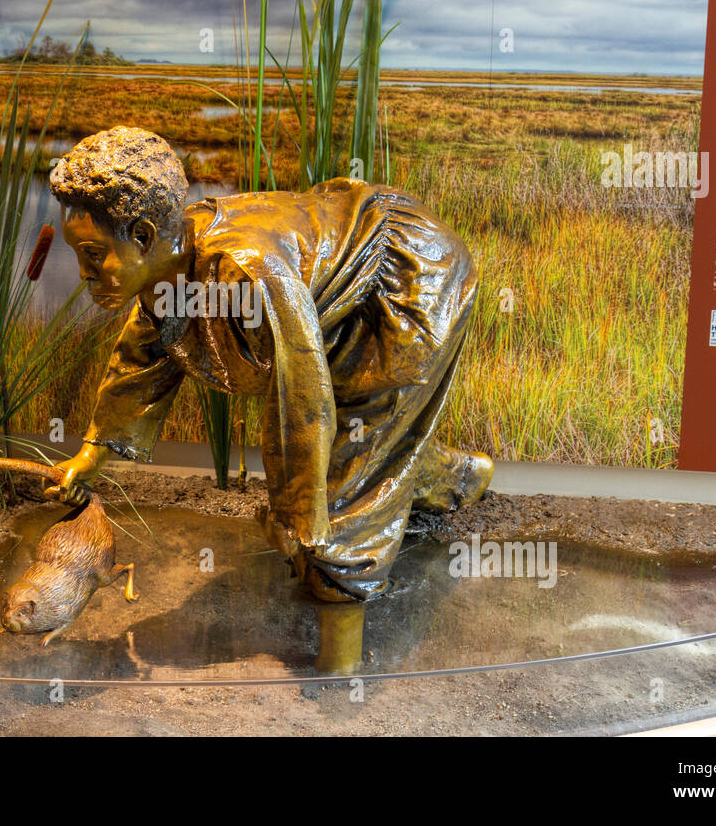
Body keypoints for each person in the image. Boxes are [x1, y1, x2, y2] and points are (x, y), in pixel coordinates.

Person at [47, 126, 493, 602]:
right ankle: (452, 476)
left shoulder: (247, 272)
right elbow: (141, 360)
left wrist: (296, 515)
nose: (83, 275)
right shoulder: (167, 268)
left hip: (412, 276)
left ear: (143, 235)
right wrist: (90, 459)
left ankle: (343, 627)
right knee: (370, 448)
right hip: (337, 281)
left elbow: (300, 396)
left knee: (343, 499)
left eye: (95, 256)